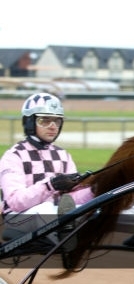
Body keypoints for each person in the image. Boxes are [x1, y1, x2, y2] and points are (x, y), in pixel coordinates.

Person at [0, 92, 94, 256]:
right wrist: (50, 185)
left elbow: (68, 201)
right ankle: (65, 240)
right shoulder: (13, 156)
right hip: (18, 218)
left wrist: (94, 190)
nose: (52, 126)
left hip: (53, 215)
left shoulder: (63, 155)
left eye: (57, 121)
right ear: (29, 122)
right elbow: (16, 202)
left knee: (94, 206)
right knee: (46, 207)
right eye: (44, 120)